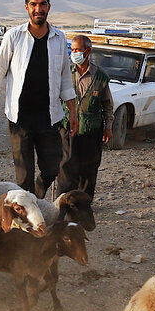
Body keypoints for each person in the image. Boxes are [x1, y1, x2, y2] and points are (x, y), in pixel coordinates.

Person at [0, 0, 78, 198]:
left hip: (49, 118)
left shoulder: (59, 39)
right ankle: (28, 220)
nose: (38, 9)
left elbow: (65, 79)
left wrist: (73, 112)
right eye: (33, 4)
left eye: (42, 4)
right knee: (23, 178)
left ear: (49, 6)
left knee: (52, 168)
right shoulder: (13, 37)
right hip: (19, 118)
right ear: (26, 7)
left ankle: (35, 197)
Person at [56, 34, 113, 197]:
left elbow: (107, 105)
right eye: (72, 50)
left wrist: (108, 128)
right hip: (68, 129)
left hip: (92, 131)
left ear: (88, 51)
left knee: (89, 169)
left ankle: (84, 204)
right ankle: (63, 203)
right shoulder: (65, 73)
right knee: (66, 168)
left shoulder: (100, 77)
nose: (74, 53)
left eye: (77, 50)